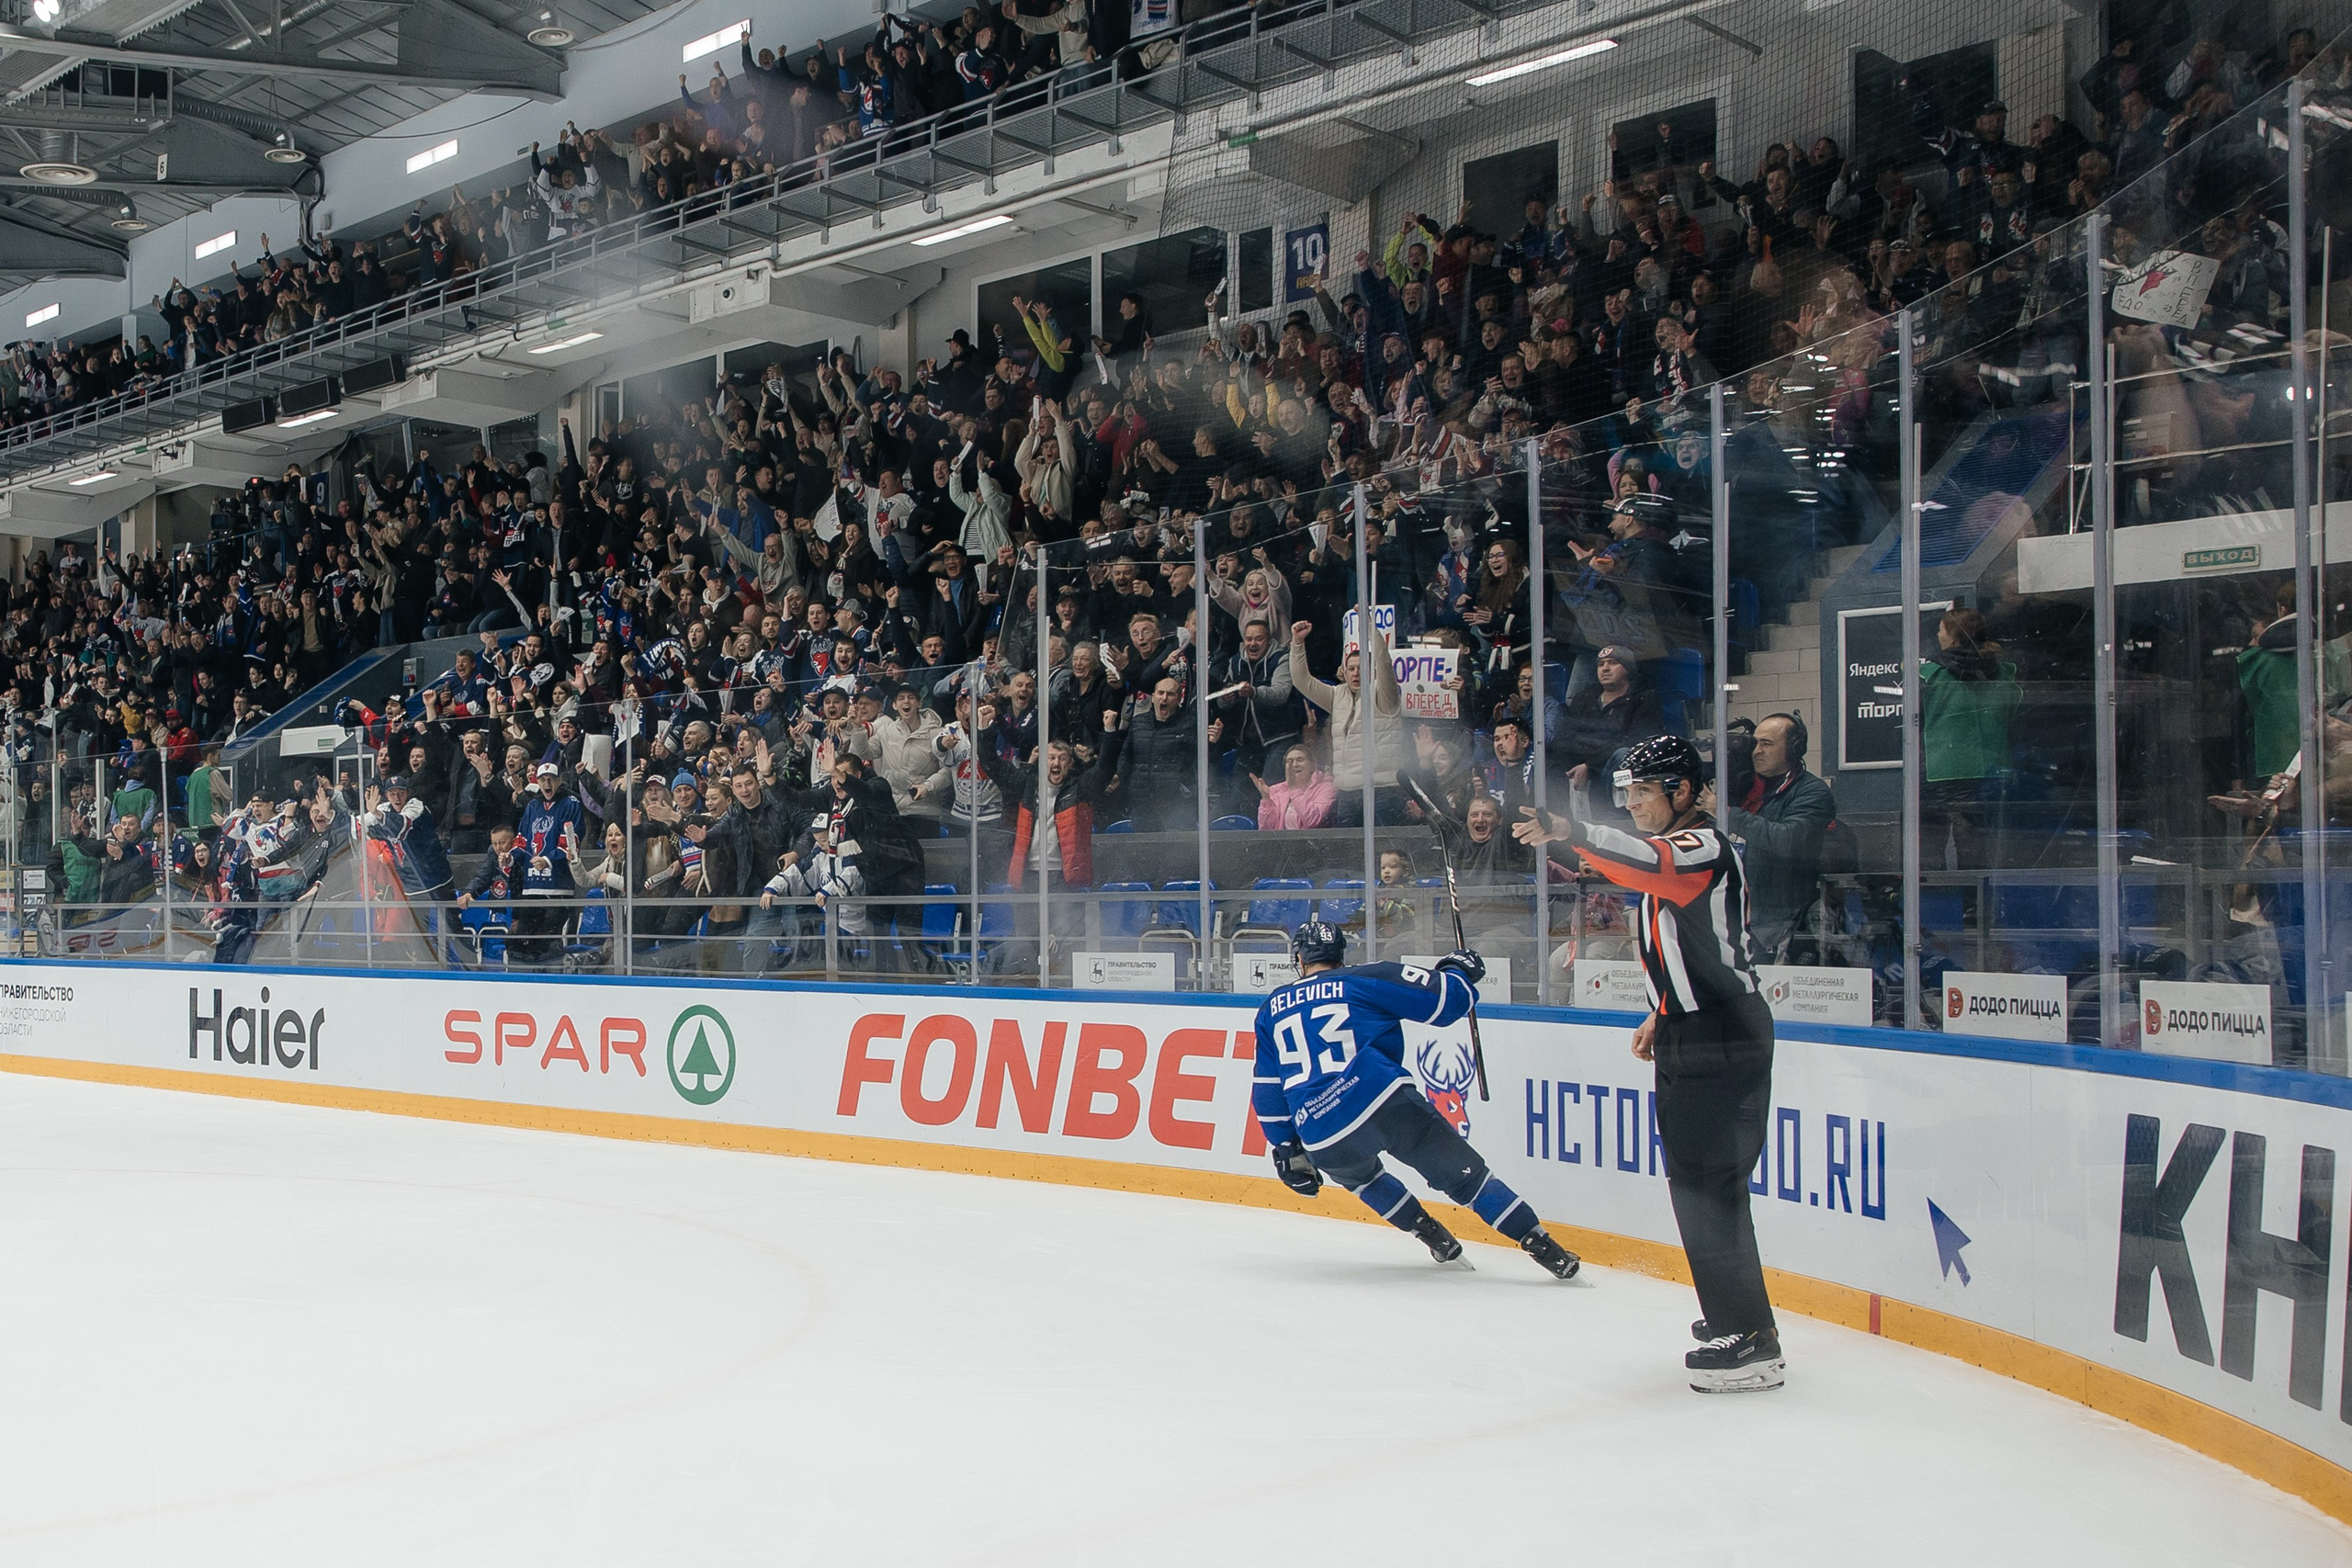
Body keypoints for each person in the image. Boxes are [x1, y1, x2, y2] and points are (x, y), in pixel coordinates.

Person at [1512, 734, 1782, 1393]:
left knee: (1707, 1183)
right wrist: (1663, 1008)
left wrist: (1570, 828)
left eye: (1643, 792)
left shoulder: (1702, 845)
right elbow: (1691, 938)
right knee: (1700, 1181)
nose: (1632, 803)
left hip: (1721, 1032)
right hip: (1696, 1027)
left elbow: (1644, 862)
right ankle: (1737, 1318)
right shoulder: (1675, 852)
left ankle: (1748, 1337)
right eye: (1626, 793)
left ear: (1683, 792)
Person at [1250, 919, 1582, 1280]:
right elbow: (1446, 1002)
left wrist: (1286, 1149)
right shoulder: (1366, 977)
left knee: (1364, 1180)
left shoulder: (1272, 1008)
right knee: (1468, 1181)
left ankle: (1431, 1234)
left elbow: (1267, 1088)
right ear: (1341, 954)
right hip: (1383, 1099)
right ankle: (1544, 1247)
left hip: (1320, 1127)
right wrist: (1458, 968)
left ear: (1298, 958)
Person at [1711, 712, 1836, 960]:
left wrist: (1726, 813)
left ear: (1794, 749)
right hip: (1734, 915)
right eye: (1755, 743)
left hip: (1781, 920)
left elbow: (1787, 840)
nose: (1757, 751)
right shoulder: (1743, 787)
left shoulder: (1812, 792)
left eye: (1767, 744)